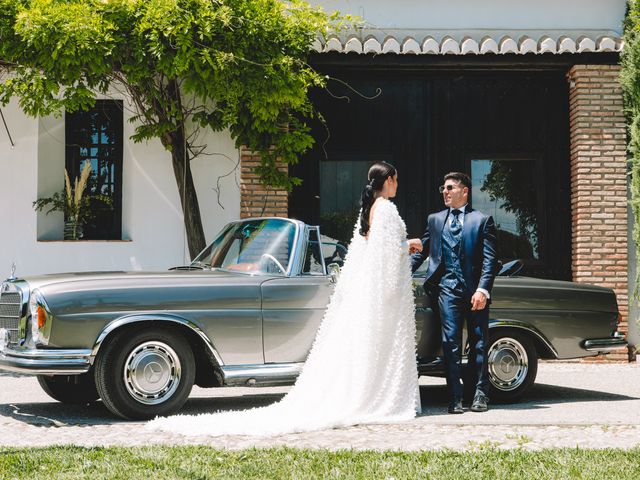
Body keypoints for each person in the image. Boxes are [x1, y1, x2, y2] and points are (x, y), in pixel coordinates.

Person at [148, 161, 424, 436]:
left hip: (370, 289)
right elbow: (383, 254)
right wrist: (408, 244)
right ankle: (378, 395)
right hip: (383, 291)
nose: (397, 185)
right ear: (387, 180)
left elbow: (371, 252)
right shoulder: (386, 208)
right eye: (396, 180)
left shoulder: (370, 209)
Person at [411, 172, 497, 414]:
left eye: (450, 188)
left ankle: (480, 395)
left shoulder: (482, 220)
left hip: (474, 292)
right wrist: (402, 273)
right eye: (443, 188)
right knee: (451, 344)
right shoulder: (435, 220)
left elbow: (490, 260)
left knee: (479, 343)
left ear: (465, 191)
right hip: (447, 290)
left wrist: (482, 290)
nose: (445, 192)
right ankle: (455, 397)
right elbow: (422, 250)